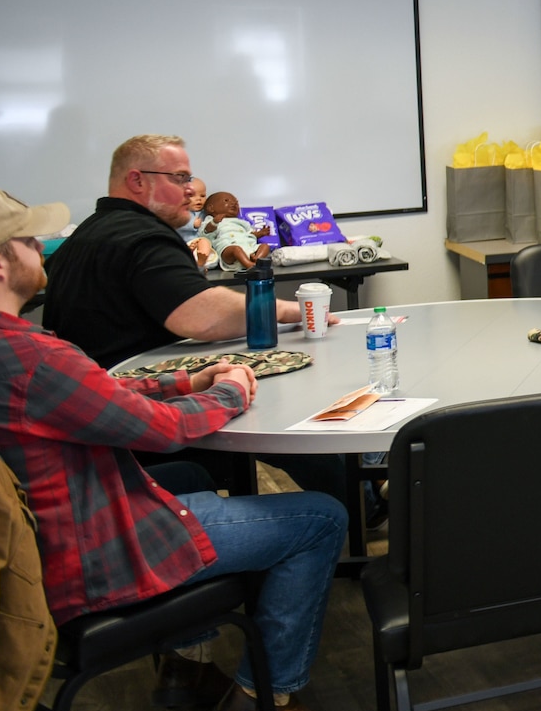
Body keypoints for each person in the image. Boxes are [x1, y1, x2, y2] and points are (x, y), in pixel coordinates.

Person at [0, 186, 348, 711]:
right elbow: (163, 431)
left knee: (194, 480)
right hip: (95, 556)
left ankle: (186, 666)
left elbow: (96, 393)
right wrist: (227, 393)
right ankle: (261, 699)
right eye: (28, 241)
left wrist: (183, 381)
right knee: (320, 518)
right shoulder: (34, 360)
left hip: (45, 540)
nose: (42, 248)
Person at [39, 135, 344, 501]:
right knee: (276, 407)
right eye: (180, 178)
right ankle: (361, 502)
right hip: (141, 417)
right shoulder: (142, 238)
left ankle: (366, 496)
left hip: (98, 415)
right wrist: (290, 311)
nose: (191, 190)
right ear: (137, 181)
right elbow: (202, 317)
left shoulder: (86, 233)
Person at [176, 175, 208, 243]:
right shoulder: (180, 212)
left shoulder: (206, 212)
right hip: (186, 242)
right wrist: (192, 223)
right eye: (191, 195)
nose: (199, 199)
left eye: (202, 196)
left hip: (202, 244)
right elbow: (177, 224)